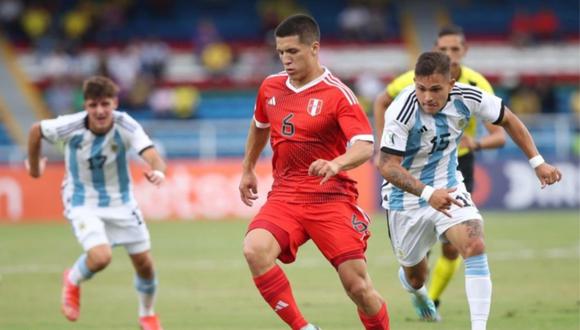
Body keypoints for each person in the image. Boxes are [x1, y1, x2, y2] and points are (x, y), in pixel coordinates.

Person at [377, 51, 562, 329]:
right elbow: (388, 166)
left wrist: (537, 162)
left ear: (451, 83)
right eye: (421, 88)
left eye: (436, 89)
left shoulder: (469, 96)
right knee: (416, 276)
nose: (427, 97)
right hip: (406, 199)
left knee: (474, 244)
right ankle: (416, 291)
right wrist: (428, 194)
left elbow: (508, 119)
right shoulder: (401, 109)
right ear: (414, 83)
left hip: (449, 184)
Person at [239, 14, 390, 330]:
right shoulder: (271, 86)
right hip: (286, 195)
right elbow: (259, 125)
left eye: (293, 51)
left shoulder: (337, 94)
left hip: (330, 197)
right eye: (281, 52)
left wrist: (336, 164)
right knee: (254, 249)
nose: (286, 59)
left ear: (314, 48)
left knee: (359, 288)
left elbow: (364, 145)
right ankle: (304, 328)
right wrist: (248, 168)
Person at [373, 25, 506, 314]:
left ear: (463, 53)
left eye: (454, 49)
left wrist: (477, 143)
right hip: (409, 178)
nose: (449, 54)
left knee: (465, 245)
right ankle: (420, 289)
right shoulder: (411, 87)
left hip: (455, 165)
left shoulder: (476, 86)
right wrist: (382, 144)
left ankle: (435, 299)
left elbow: (501, 131)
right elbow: (382, 100)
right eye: (443, 49)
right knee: (415, 269)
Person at [26, 76, 166, 330]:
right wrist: (35, 169)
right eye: (93, 105)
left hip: (122, 202)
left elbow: (153, 156)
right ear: (86, 105)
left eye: (105, 104)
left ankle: (147, 314)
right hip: (82, 200)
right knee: (101, 257)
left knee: (145, 264)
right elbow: (36, 130)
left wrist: (158, 172)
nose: (100, 111)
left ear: (114, 102)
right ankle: (73, 278)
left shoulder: (126, 124)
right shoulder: (70, 126)